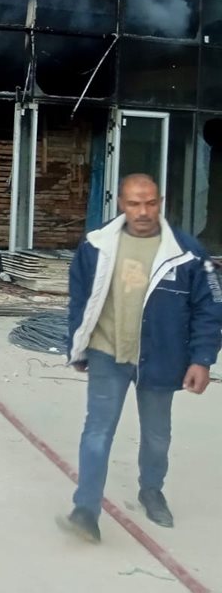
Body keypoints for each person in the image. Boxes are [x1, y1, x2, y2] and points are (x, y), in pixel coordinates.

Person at [60, 173, 222, 543]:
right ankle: (85, 509)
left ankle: (151, 491)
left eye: (150, 203)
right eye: (134, 203)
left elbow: (210, 308)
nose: (143, 211)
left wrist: (202, 359)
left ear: (160, 203)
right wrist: (77, 346)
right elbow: (79, 301)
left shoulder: (187, 252)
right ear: (121, 204)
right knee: (97, 431)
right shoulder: (96, 245)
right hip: (107, 352)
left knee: (157, 436)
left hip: (162, 357)